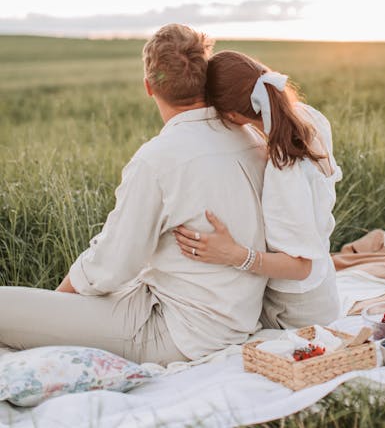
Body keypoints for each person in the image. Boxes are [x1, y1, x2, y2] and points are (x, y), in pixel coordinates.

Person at [0, 25, 269, 365]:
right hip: (232, 318)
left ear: (148, 86)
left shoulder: (157, 159)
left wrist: (57, 303)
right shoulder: (252, 139)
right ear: (205, 79)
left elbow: (111, 266)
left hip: (178, 333)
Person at [174, 50, 342, 329]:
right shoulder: (308, 117)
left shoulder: (283, 168)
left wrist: (233, 254)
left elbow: (301, 266)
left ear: (230, 115)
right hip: (324, 289)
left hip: (296, 307)